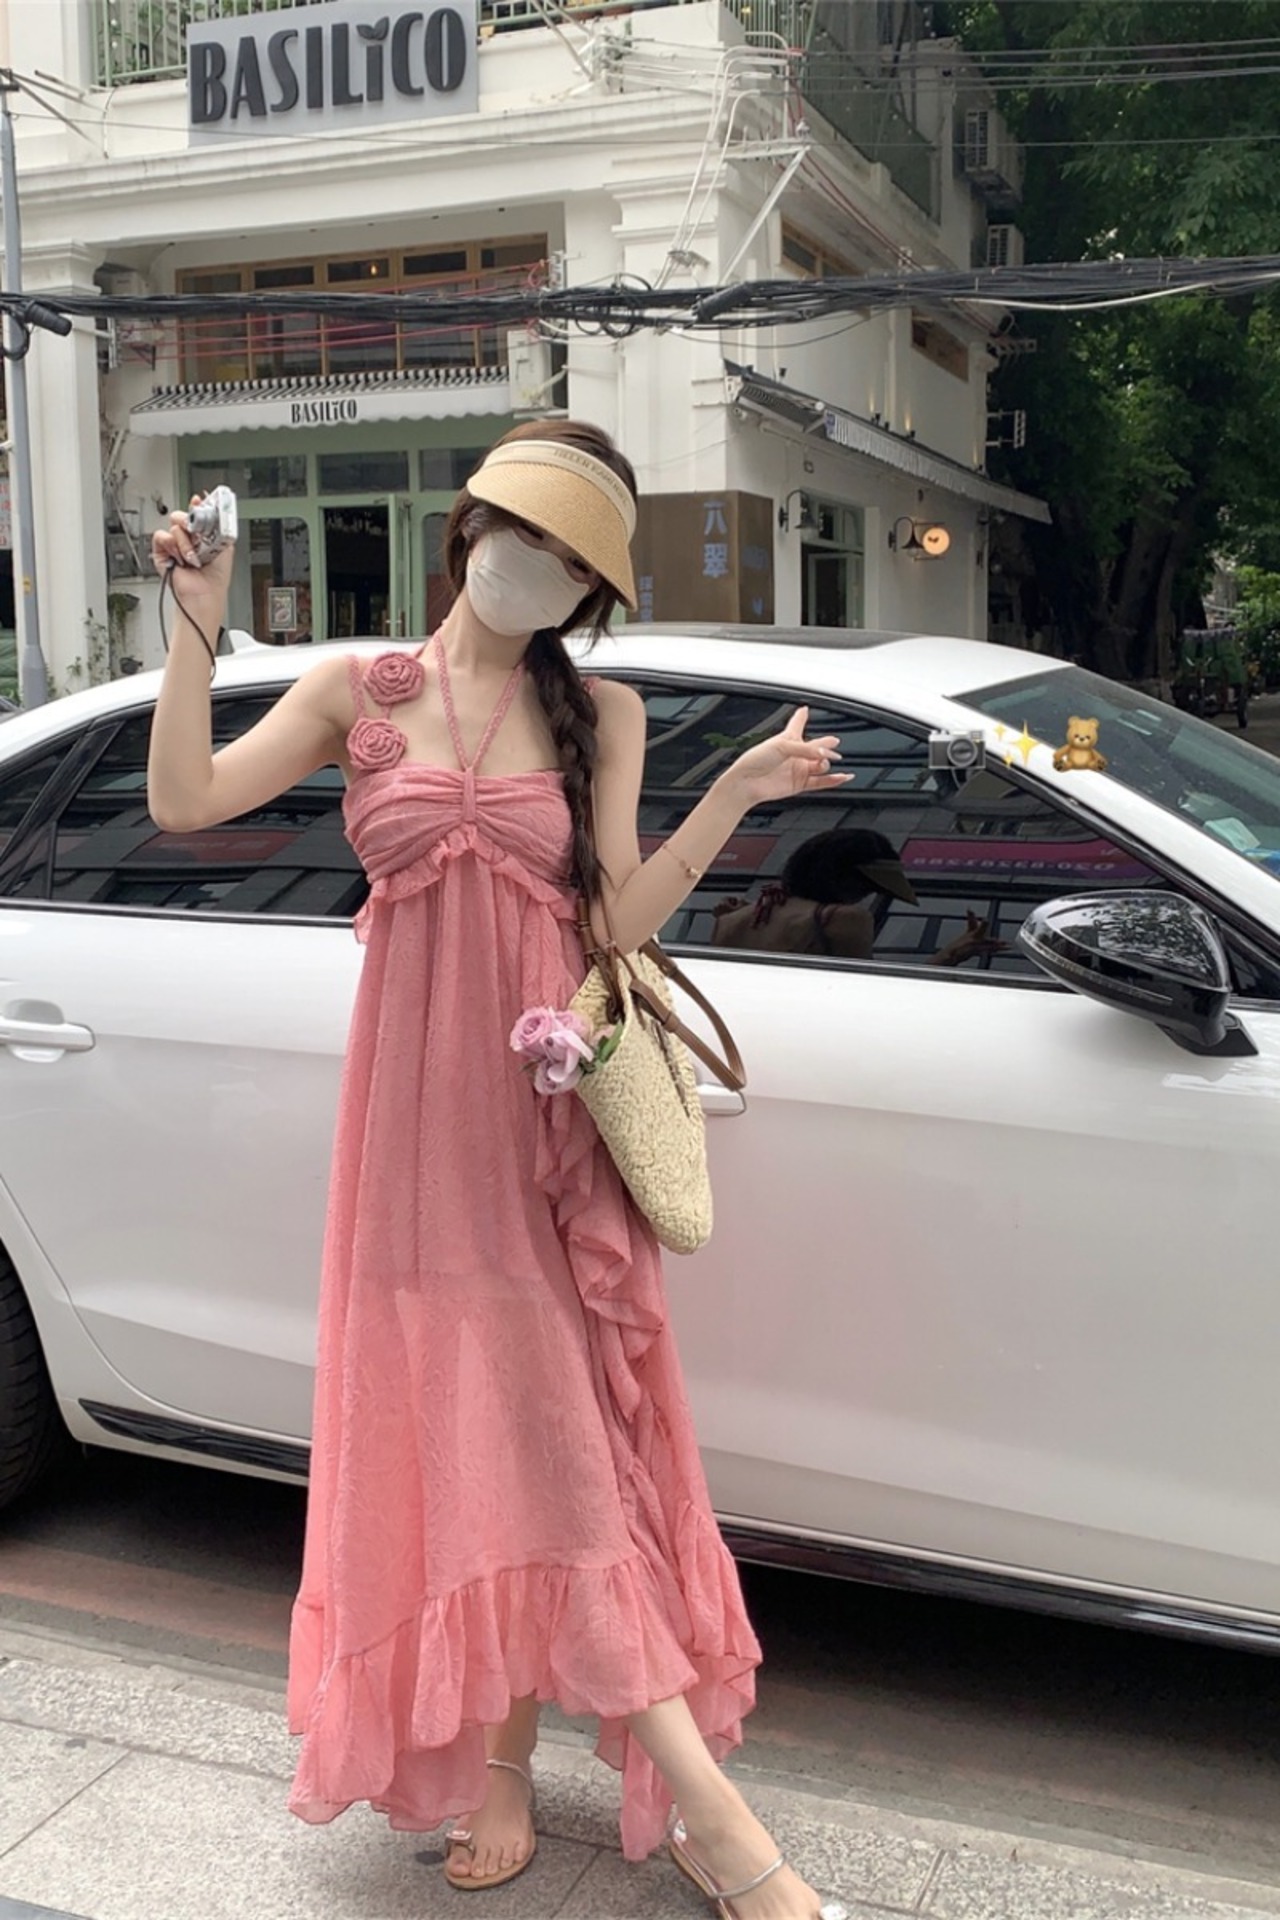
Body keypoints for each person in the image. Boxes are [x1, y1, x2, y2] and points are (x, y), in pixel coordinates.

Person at [147, 421, 850, 1920]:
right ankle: (516, 1774)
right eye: (523, 535)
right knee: (474, 1447)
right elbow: (187, 802)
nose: (537, 570)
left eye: (572, 564)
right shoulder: (355, 690)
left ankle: (714, 1824)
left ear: (589, 594)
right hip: (411, 1141)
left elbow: (618, 923)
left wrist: (735, 796)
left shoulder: (603, 712)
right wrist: (195, 627)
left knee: (553, 1455)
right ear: (468, 530)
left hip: (540, 1133)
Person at [712, 827, 1005, 966]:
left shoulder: (732, 918)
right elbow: (872, 996)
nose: (863, 897)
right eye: (867, 887)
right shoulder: (844, 919)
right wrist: (951, 954)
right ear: (843, 877)